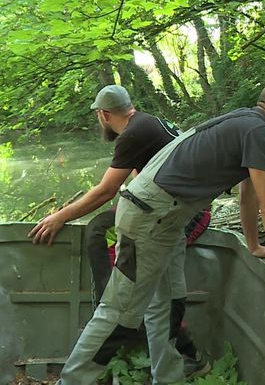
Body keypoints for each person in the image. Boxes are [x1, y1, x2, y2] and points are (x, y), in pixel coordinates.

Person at [54, 81, 265, 385]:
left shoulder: (247, 124)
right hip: (150, 217)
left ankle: (168, 377)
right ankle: (70, 382)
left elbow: (250, 197)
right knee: (120, 314)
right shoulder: (257, 131)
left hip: (167, 218)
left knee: (168, 302)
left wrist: (254, 244)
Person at [28, 85, 209, 377]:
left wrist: (59, 217)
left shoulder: (134, 133)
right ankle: (180, 365)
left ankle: (104, 315)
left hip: (180, 217)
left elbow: (105, 191)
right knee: (163, 298)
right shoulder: (149, 123)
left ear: (103, 115)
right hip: (184, 212)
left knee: (122, 299)